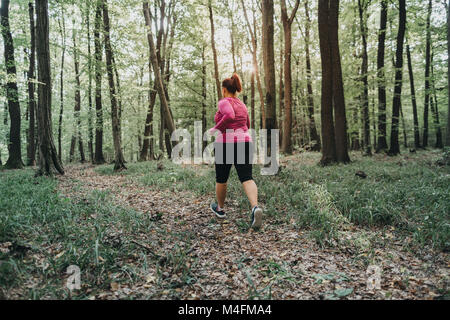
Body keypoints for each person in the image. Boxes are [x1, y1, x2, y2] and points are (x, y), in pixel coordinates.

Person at [209, 73, 263, 230]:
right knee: (247, 177)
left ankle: (219, 209)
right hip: (245, 141)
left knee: (222, 179)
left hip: (226, 143)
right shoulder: (242, 104)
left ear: (224, 90)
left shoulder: (224, 102)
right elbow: (247, 123)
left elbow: (229, 115)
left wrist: (216, 128)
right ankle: (255, 208)